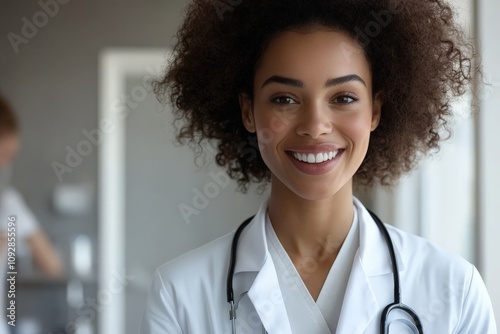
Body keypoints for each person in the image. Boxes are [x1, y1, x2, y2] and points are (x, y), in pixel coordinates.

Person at [140, 0, 496, 333]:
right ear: (248, 111)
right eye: (284, 99)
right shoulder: (179, 293)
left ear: (375, 110)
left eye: (343, 98)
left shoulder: (454, 290)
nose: (315, 125)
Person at [0, 93, 64, 333]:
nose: (4, 166)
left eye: (9, 158)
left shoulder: (7, 204)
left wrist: (10, 238)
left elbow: (52, 265)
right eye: (2, 154)